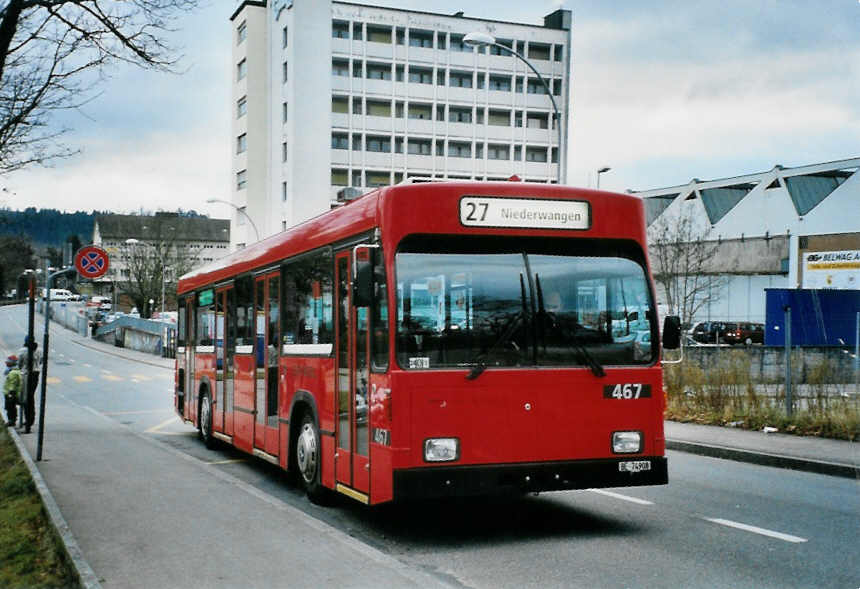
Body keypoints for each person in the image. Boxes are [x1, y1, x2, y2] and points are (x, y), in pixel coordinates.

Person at [17, 336, 41, 433]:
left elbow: (19, 363)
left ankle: (28, 420)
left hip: (26, 374)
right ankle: (30, 419)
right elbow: (41, 361)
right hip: (36, 374)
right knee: (31, 396)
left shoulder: (22, 351)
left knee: (26, 397)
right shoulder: (39, 350)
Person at [4, 355, 21, 426]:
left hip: (10, 393)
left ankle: (11, 420)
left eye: (8, 362)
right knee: (11, 407)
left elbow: (12, 383)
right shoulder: (15, 371)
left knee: (10, 407)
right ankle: (12, 419)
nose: (6, 363)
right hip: (11, 393)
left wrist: (11, 393)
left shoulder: (13, 373)